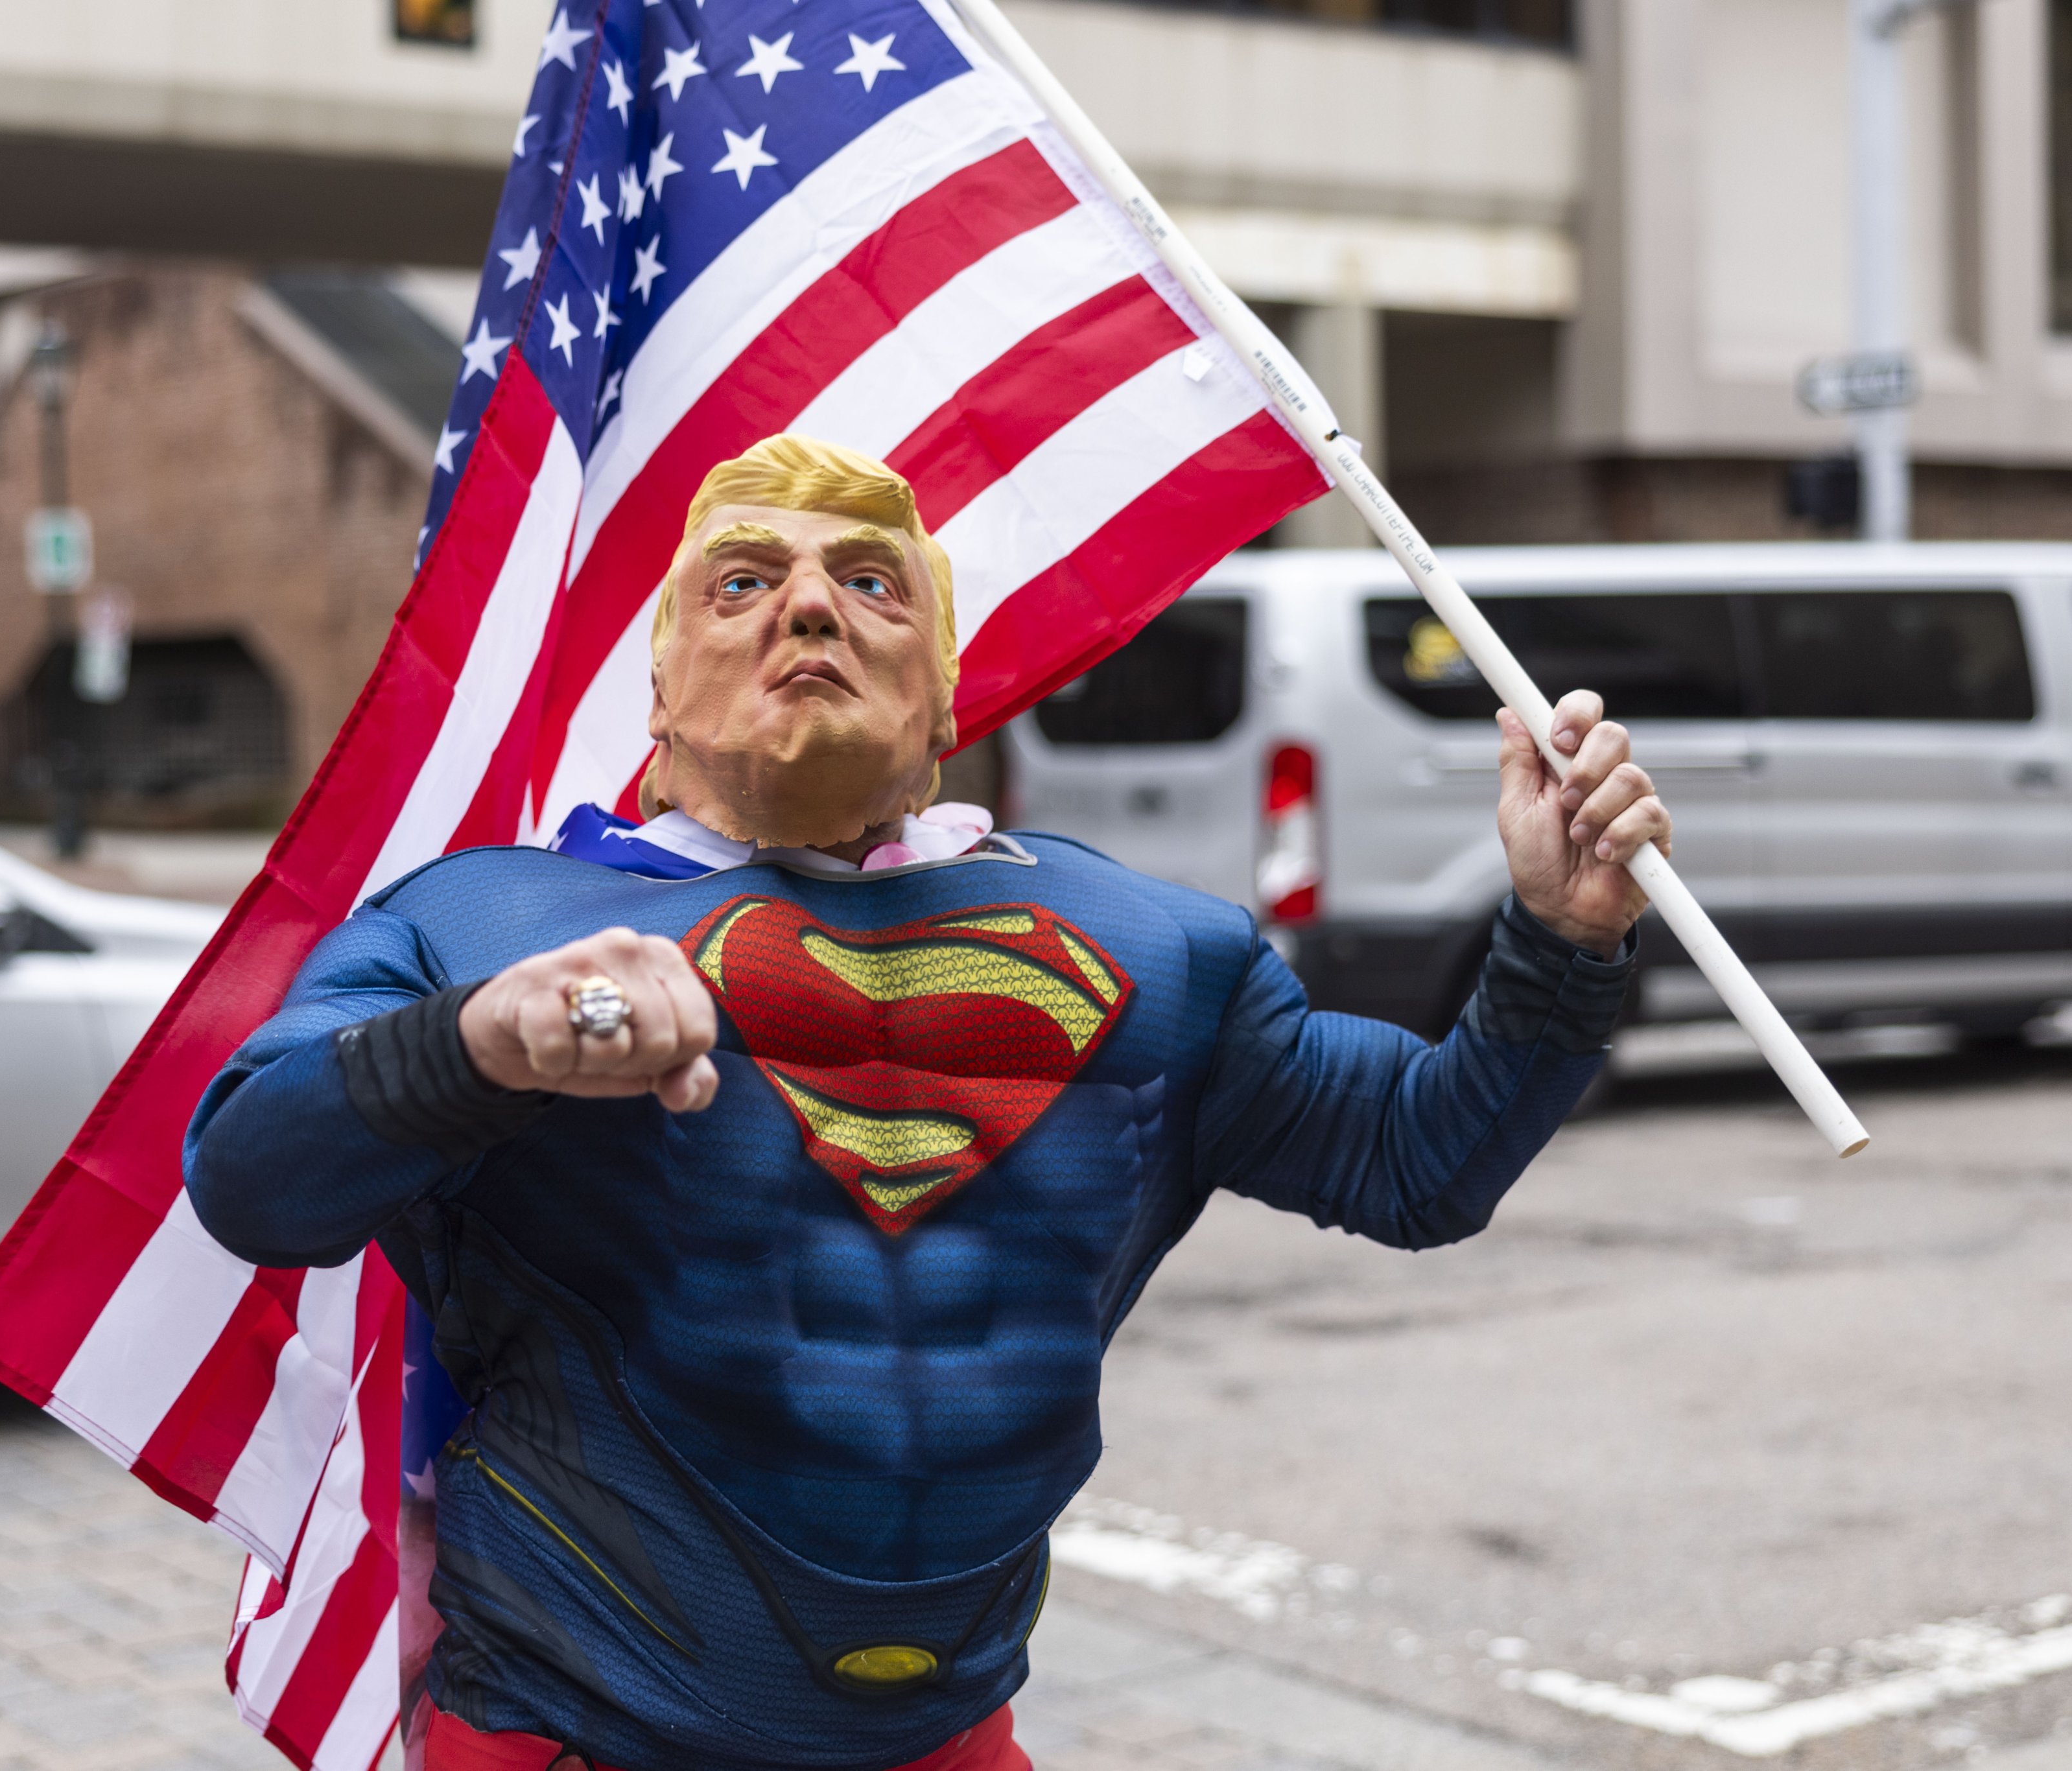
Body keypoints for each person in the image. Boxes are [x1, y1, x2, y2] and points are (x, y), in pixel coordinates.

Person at [183, 435, 1670, 1771]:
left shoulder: (1158, 952)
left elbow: (1416, 1163)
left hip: (945, 1737)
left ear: (945, 688)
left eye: (874, 586)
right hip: (581, 1721)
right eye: (745, 582)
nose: (811, 611)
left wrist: (1560, 939)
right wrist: (479, 1043)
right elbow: (249, 1176)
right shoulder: (486, 926)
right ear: (656, 682)